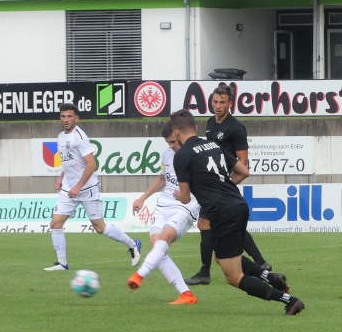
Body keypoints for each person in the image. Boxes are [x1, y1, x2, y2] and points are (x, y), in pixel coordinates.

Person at [170, 109, 304, 315]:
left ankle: (290, 300)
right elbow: (244, 171)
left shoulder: (182, 155)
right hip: (238, 204)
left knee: (233, 277)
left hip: (222, 212)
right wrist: (224, 187)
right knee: (225, 258)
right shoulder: (213, 145)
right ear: (195, 127)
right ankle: (270, 277)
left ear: (177, 132)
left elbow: (186, 197)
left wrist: (176, 195)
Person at [185, 83, 271, 286]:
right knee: (232, 226)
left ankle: (205, 272)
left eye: (222, 102)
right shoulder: (209, 124)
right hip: (215, 184)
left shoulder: (236, 128)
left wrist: (229, 183)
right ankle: (261, 263)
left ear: (230, 103)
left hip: (222, 186)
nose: (218, 106)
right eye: (215, 101)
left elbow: (243, 164)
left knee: (205, 224)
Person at [44, 102, 141, 271]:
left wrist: (78, 187)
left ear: (76, 118)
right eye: (63, 116)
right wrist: (61, 177)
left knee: (99, 227)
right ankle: (62, 263)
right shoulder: (61, 136)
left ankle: (133, 244)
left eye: (69, 116)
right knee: (56, 223)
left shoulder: (80, 137)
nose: (66, 120)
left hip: (87, 189)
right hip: (68, 188)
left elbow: (91, 164)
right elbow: (68, 162)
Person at [127, 122, 199, 305]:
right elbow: (162, 179)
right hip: (164, 203)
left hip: (186, 204)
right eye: (169, 143)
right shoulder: (167, 154)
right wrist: (142, 198)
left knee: (164, 238)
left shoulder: (195, 154)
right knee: (157, 244)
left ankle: (139, 274)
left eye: (174, 142)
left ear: (182, 135)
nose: (172, 146)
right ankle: (186, 294)